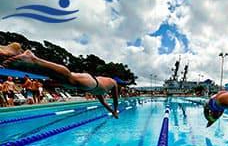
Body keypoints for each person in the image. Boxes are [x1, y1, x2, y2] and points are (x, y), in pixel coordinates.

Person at [4, 50, 132, 118]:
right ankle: (33, 58)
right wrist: (115, 110)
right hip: (91, 82)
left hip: (89, 82)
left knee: (56, 77)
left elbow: (103, 102)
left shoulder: (103, 89)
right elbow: (115, 99)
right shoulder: (113, 83)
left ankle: (17, 54)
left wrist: (112, 111)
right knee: (68, 77)